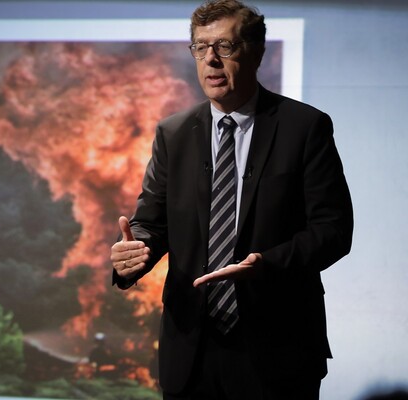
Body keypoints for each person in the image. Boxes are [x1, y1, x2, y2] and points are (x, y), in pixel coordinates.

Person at [110, 1, 353, 399]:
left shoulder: (305, 127)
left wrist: (266, 264)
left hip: (278, 348)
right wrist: (134, 253)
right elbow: (152, 223)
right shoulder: (173, 133)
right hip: (191, 349)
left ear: (257, 52)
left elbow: (333, 230)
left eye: (225, 46)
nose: (211, 59)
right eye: (200, 47)